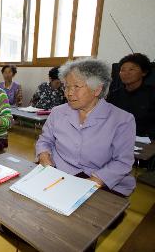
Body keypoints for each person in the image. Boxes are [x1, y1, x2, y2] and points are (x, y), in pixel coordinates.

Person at [36, 58, 136, 197]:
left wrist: (91, 183)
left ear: (97, 90)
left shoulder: (122, 120)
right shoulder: (58, 112)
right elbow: (45, 140)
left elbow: (122, 162)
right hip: (60, 172)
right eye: (66, 86)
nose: (69, 93)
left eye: (76, 86)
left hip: (100, 180)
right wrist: (45, 158)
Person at [107, 53, 155, 139]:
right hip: (117, 137)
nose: (126, 73)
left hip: (145, 140)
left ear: (144, 72)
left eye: (131, 69)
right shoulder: (114, 95)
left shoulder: (152, 94)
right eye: (122, 70)